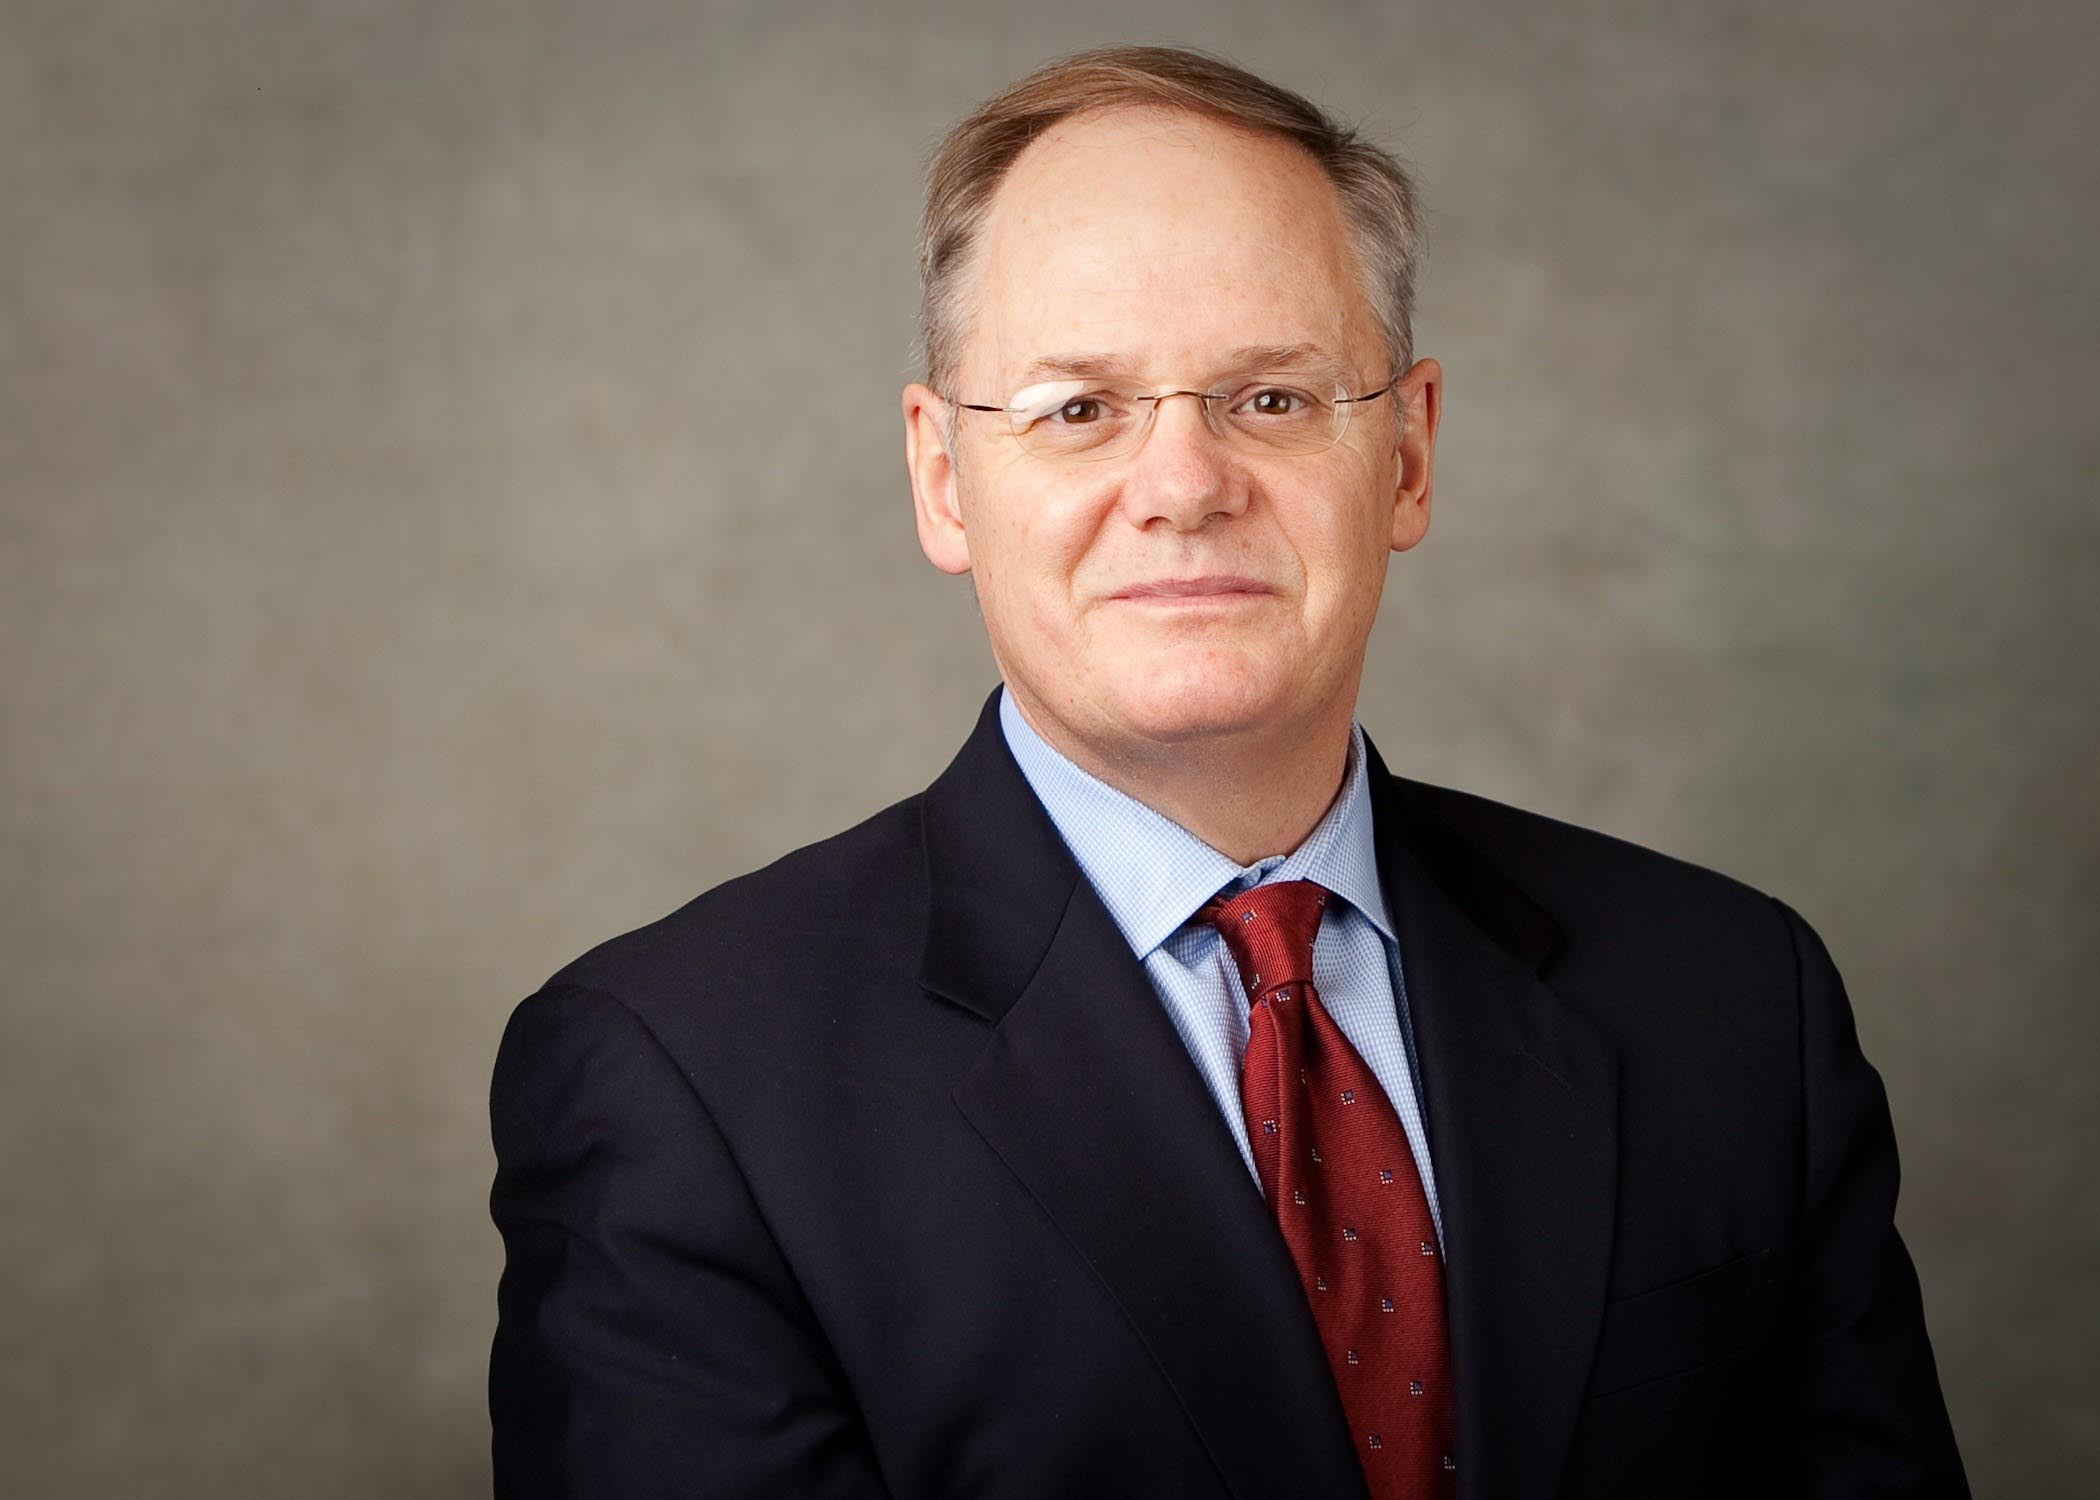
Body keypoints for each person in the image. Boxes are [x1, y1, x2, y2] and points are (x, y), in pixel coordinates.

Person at [487, 45, 1970, 1500]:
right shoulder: (683, 1078)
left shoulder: (1732, 998)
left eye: (1271, 398)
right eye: (1079, 408)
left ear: (1408, 456)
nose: (1185, 485)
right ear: (944, 479)